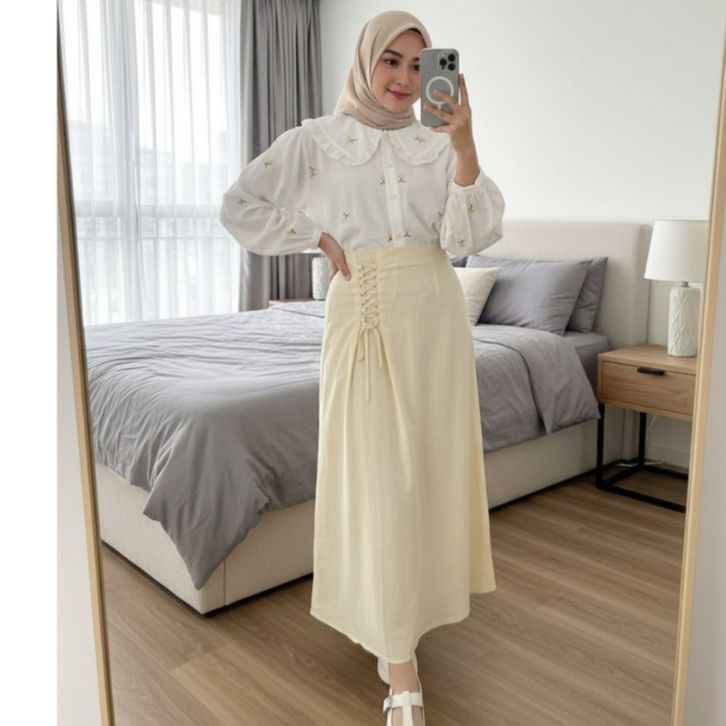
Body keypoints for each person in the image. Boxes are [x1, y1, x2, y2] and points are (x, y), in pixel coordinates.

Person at [219, 9, 505, 725]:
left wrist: (464, 142)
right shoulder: (316, 140)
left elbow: (468, 234)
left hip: (435, 315)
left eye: (418, 64)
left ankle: (400, 624)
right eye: (391, 60)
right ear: (365, 61)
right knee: (378, 481)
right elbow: (240, 204)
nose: (405, 78)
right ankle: (399, 664)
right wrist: (313, 235)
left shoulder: (437, 143)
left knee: (426, 475)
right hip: (363, 312)